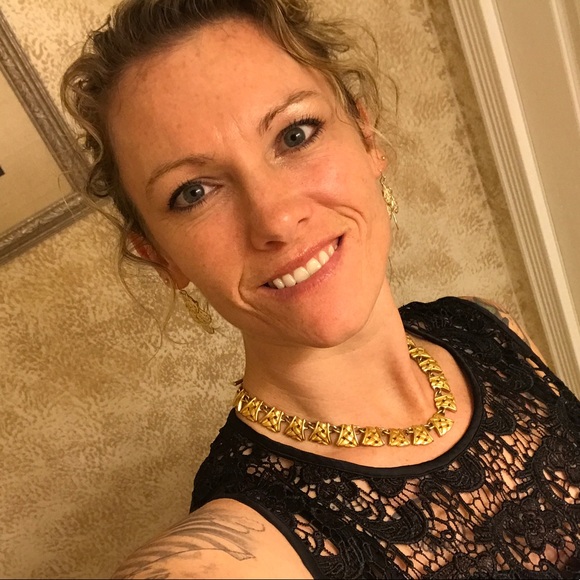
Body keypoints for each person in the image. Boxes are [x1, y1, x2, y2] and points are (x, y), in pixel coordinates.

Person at [61, 0, 580, 577]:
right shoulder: (224, 557)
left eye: (295, 135)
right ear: (160, 255)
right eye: (194, 192)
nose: (276, 220)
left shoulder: (486, 324)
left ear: (366, 134)